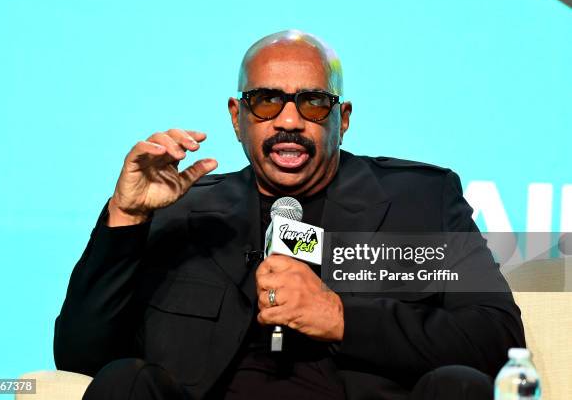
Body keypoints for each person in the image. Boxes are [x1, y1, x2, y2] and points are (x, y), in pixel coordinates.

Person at [54, 30, 525, 400]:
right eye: (266, 101)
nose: (288, 121)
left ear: (342, 119)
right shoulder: (183, 206)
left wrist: (339, 316)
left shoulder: (419, 200)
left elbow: (497, 339)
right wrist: (127, 217)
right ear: (237, 116)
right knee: (123, 380)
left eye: (313, 103)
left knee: (460, 384)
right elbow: (81, 355)